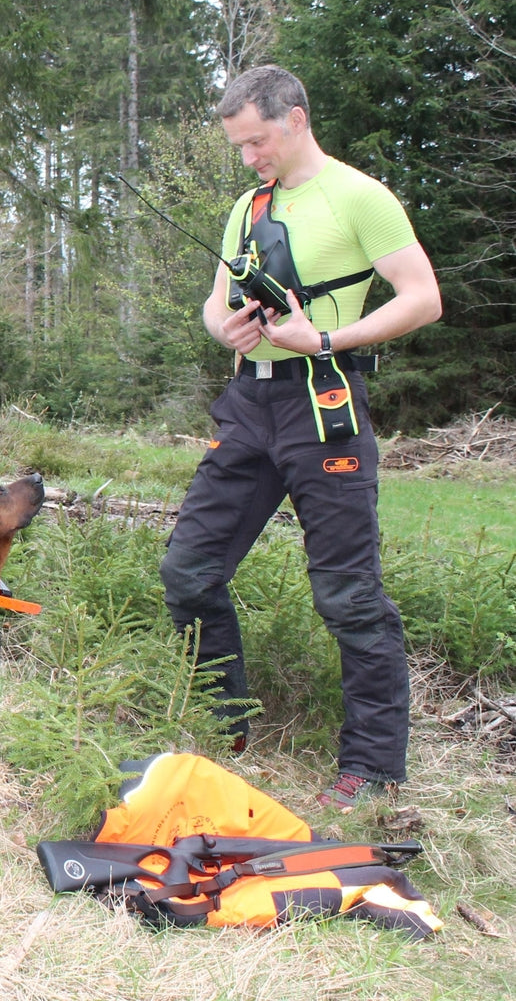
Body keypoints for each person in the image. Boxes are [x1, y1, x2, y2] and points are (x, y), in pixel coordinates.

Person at [160, 65, 441, 812]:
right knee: (188, 572)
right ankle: (229, 727)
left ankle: (373, 768)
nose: (250, 157)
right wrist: (228, 326)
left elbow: (423, 297)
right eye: (239, 146)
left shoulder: (359, 196)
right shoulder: (246, 206)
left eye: (256, 141)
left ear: (295, 120)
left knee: (349, 594)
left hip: (326, 402)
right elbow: (214, 308)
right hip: (248, 405)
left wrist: (326, 337)